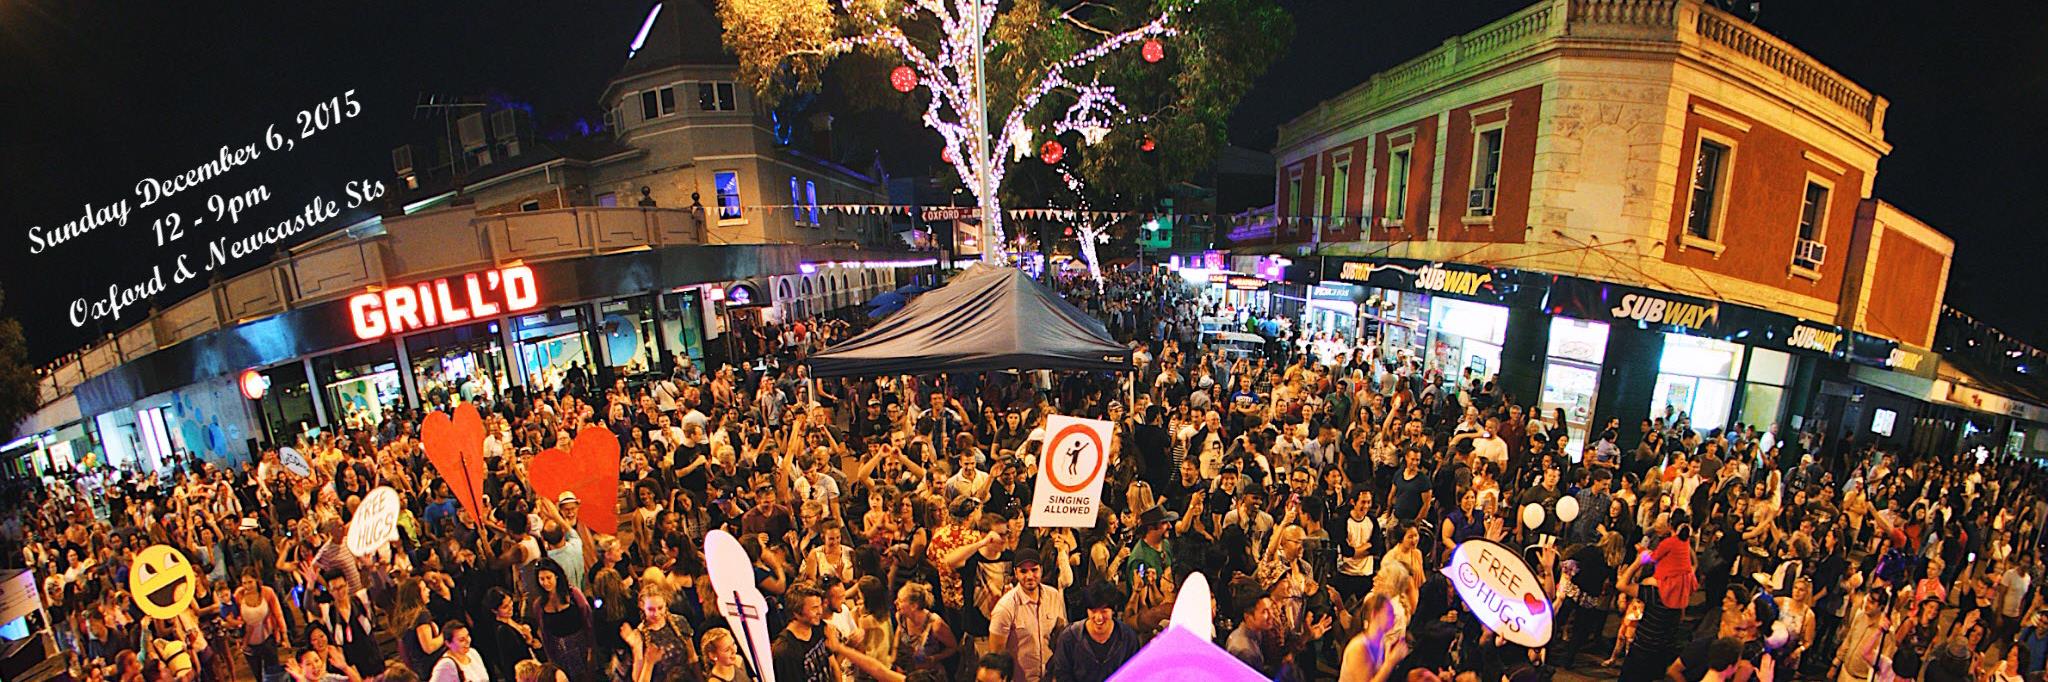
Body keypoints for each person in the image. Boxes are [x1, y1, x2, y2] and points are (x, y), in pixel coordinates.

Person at [987, 549, 1066, 682]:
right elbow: (996, 656)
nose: (1029, 576)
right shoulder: (1005, 607)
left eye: (1034, 570)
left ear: (1041, 570)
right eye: (1023, 571)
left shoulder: (1053, 596)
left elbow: (1061, 635)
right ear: (1016, 573)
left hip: (1049, 676)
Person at [1045, 584, 1139, 682]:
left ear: (1113, 611)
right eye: (1093, 611)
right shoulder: (1069, 637)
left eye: (1104, 611)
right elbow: (1062, 674)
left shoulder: (1127, 637)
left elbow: (1135, 673)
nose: (1098, 617)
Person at [773, 586, 833, 682]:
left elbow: (832, 664)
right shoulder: (785, 650)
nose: (820, 612)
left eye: (820, 605)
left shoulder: (819, 626)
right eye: (814, 608)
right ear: (796, 612)